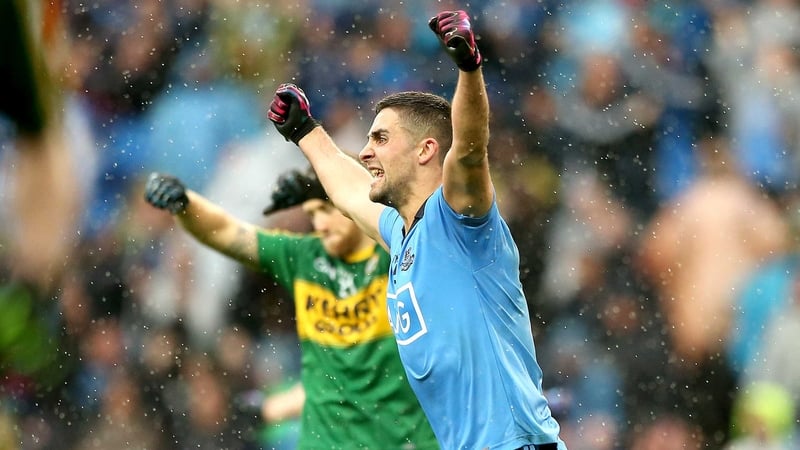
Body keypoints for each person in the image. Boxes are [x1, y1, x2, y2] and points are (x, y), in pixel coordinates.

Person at [267, 9, 566, 450]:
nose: (366, 153)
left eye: (381, 139)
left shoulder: (460, 219)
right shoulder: (401, 233)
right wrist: (303, 131)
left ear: (427, 150)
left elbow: (467, 149)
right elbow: (349, 194)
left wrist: (468, 68)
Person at [143, 168, 438, 449]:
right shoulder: (304, 257)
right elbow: (225, 232)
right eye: (312, 214)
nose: (319, 225)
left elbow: (429, 212)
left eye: (327, 209)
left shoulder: (401, 255)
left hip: (403, 442)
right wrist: (185, 204)